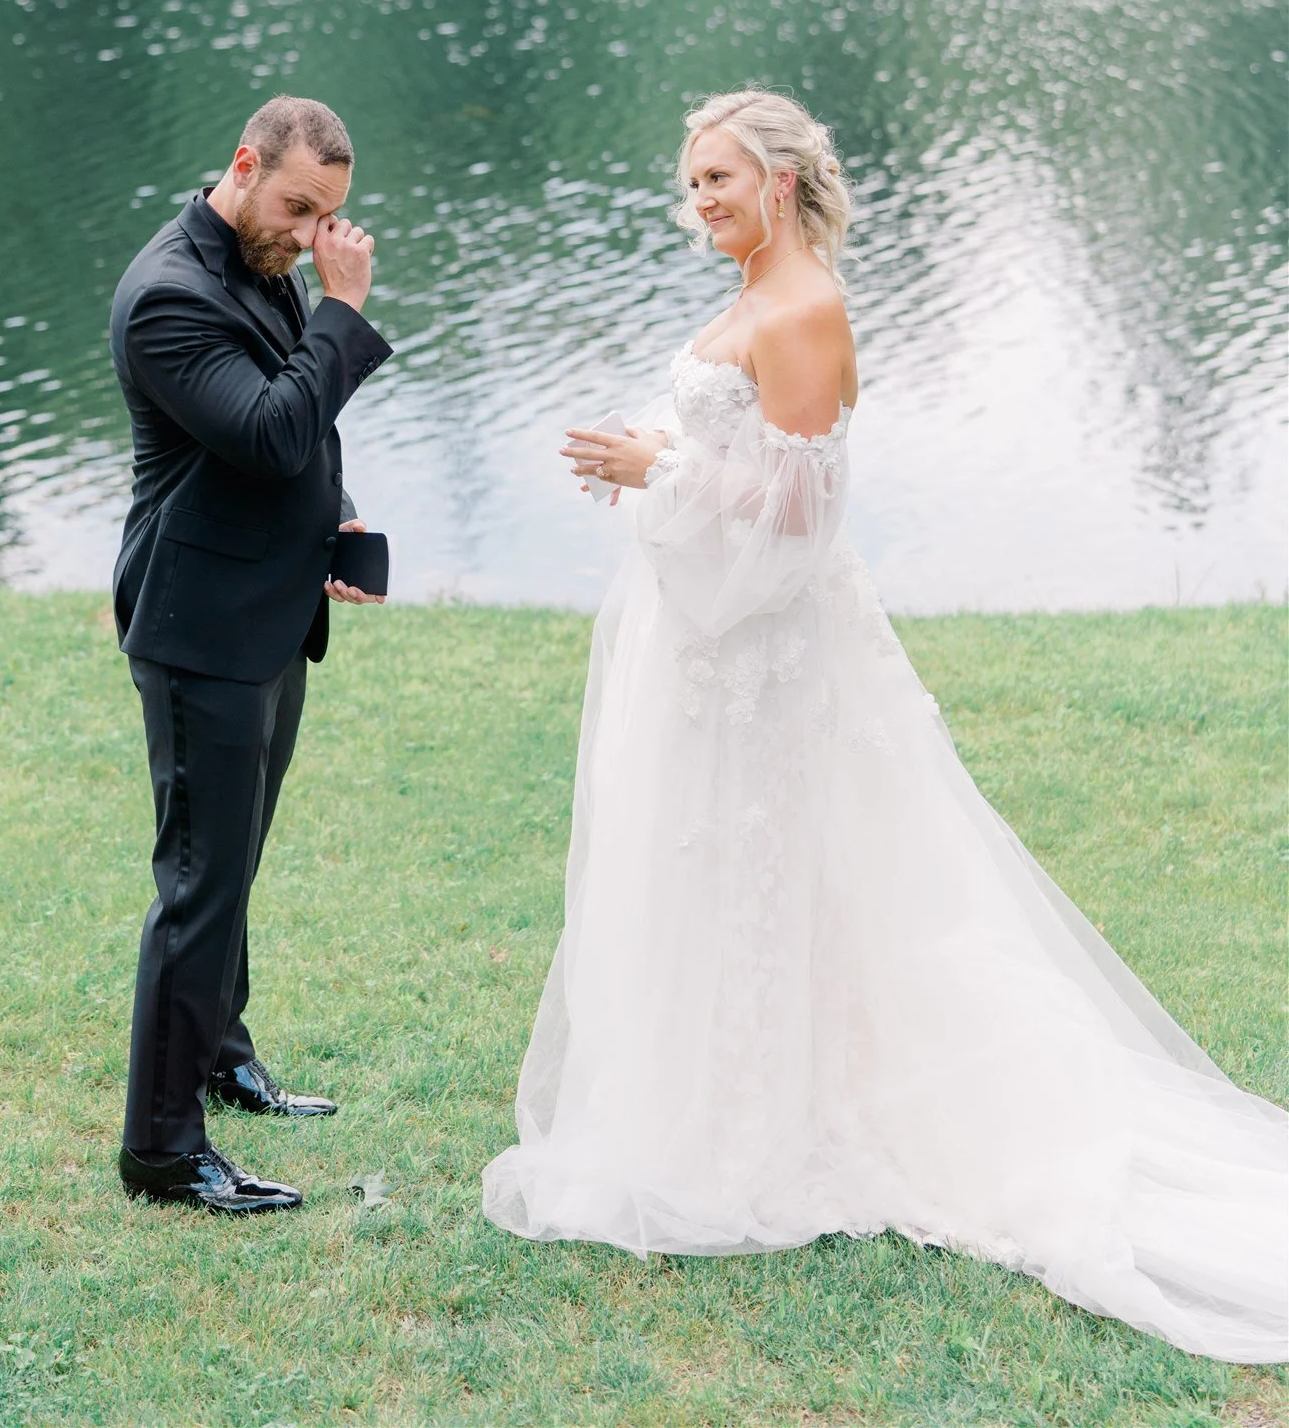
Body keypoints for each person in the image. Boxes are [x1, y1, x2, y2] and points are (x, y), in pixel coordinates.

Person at [482, 88, 1287, 1363]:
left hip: (763, 660)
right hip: (704, 647)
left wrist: (666, 472)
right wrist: (653, 448)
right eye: (692, 183)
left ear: (784, 183)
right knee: (715, 876)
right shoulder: (757, 290)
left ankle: (778, 1129)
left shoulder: (803, 307)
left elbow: (804, 517)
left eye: (720, 182)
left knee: (774, 875)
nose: (701, 204)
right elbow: (744, 455)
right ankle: (710, 1108)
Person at [109, 95, 392, 1214]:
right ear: (242, 164)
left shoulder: (260, 257)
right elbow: (274, 425)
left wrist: (342, 519)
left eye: (331, 214)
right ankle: (164, 1155)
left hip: (264, 615)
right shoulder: (168, 295)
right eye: (299, 206)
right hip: (200, 629)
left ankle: (221, 1055)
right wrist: (346, 307)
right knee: (197, 886)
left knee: (234, 870)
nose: (313, 231)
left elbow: (290, 439)